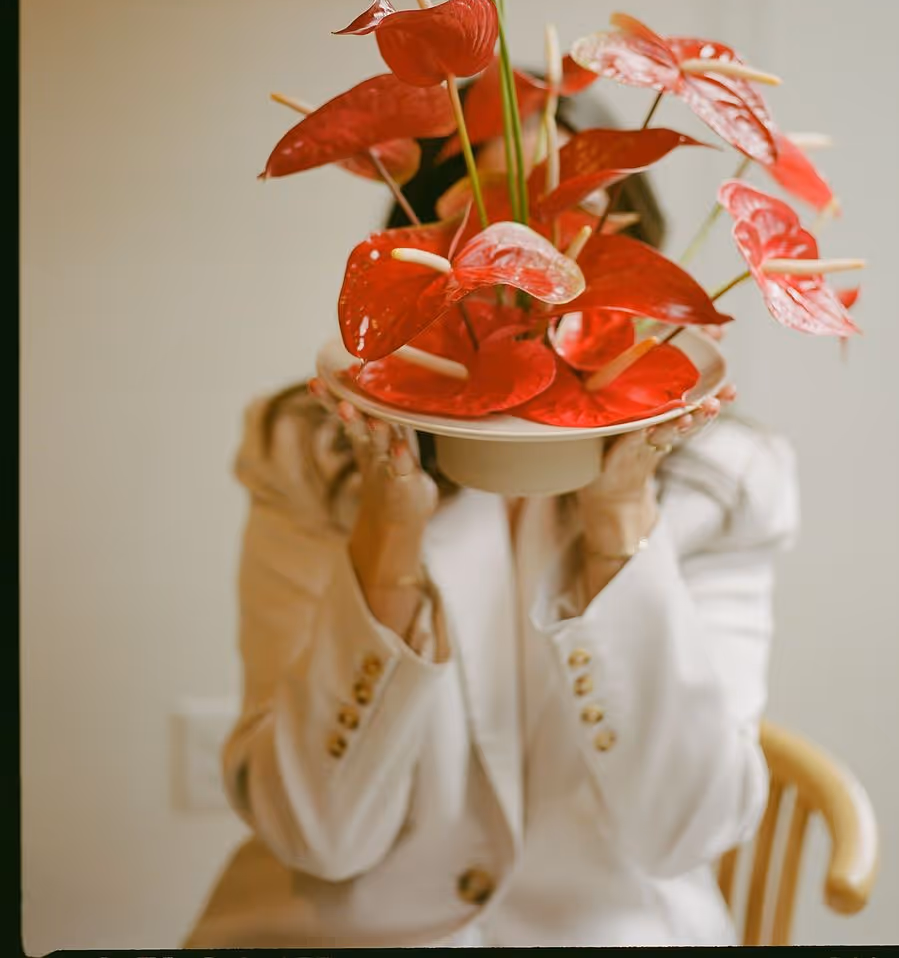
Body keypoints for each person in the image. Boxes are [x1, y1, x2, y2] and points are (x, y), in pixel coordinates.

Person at [182, 96, 801, 949]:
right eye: (500, 234)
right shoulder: (316, 450)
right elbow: (315, 837)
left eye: (568, 220)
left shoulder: (721, 479)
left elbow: (683, 832)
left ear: (628, 251)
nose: (531, 272)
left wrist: (622, 521)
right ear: (428, 264)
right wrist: (385, 539)